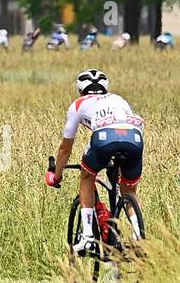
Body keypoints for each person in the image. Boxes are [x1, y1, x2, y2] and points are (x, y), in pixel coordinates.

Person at [45, 69, 144, 255]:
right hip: (135, 139)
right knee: (128, 190)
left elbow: (65, 148)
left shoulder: (78, 104)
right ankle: (140, 235)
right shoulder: (119, 99)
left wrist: (56, 175)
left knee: (87, 177)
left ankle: (88, 237)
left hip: (105, 138)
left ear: (80, 89)